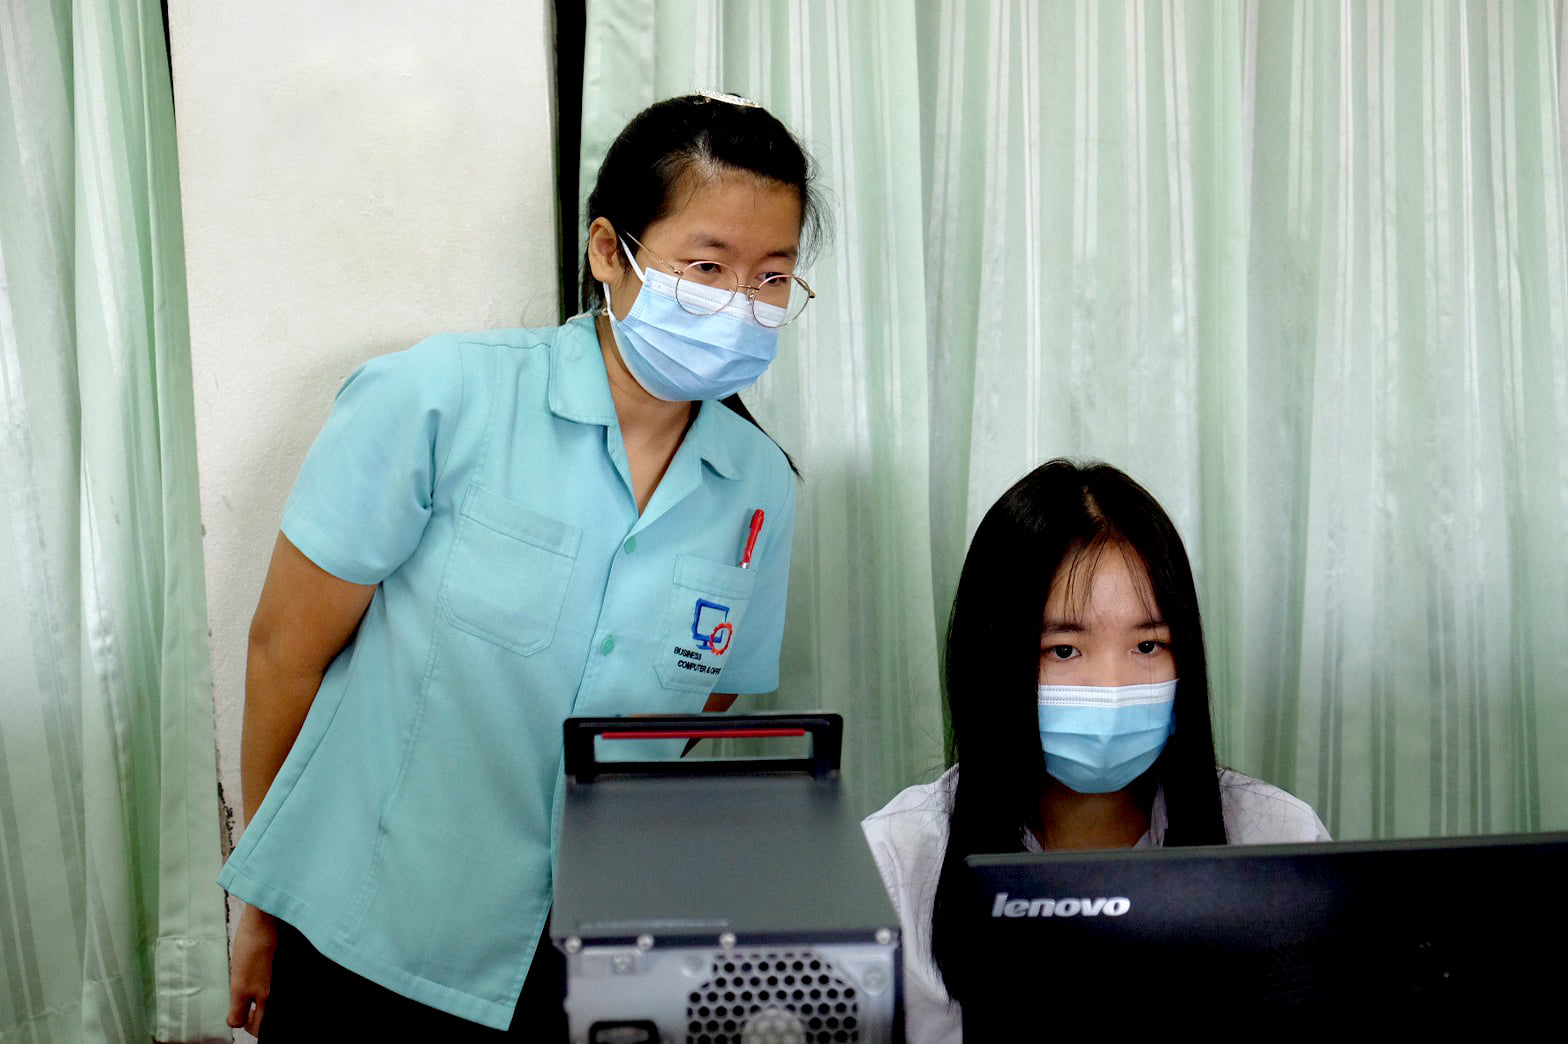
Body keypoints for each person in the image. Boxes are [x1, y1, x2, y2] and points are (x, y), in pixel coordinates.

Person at [220, 91, 823, 1038]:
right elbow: (282, 653)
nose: (737, 305)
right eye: (706, 267)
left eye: (771, 278)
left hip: (583, 960)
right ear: (607, 253)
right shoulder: (438, 398)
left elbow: (698, 717)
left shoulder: (760, 492)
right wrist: (261, 899)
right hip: (365, 936)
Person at [860, 459, 1329, 1041]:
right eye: (1063, 650)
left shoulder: (1278, 838)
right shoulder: (894, 863)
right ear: (992, 657)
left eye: (1148, 644)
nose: (1112, 688)